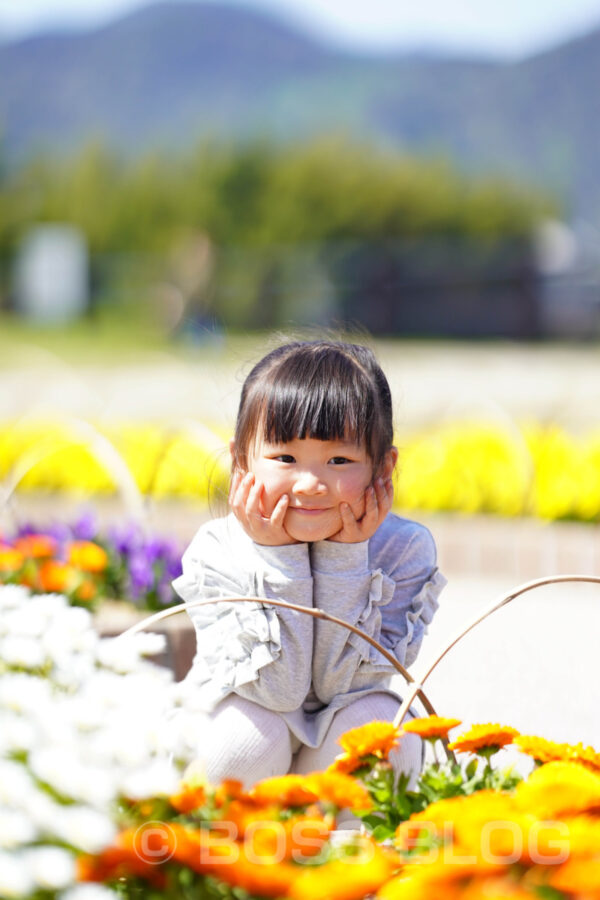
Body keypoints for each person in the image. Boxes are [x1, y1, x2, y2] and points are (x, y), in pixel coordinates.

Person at [173, 340, 446, 791]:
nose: (311, 483)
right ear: (241, 460)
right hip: (247, 721)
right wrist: (279, 557)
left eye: (339, 460)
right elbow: (276, 692)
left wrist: (345, 557)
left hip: (338, 733)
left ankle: (343, 848)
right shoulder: (218, 550)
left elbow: (347, 688)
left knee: (385, 736)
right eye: (285, 458)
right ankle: (232, 845)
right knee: (246, 739)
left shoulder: (403, 550)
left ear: (383, 467)